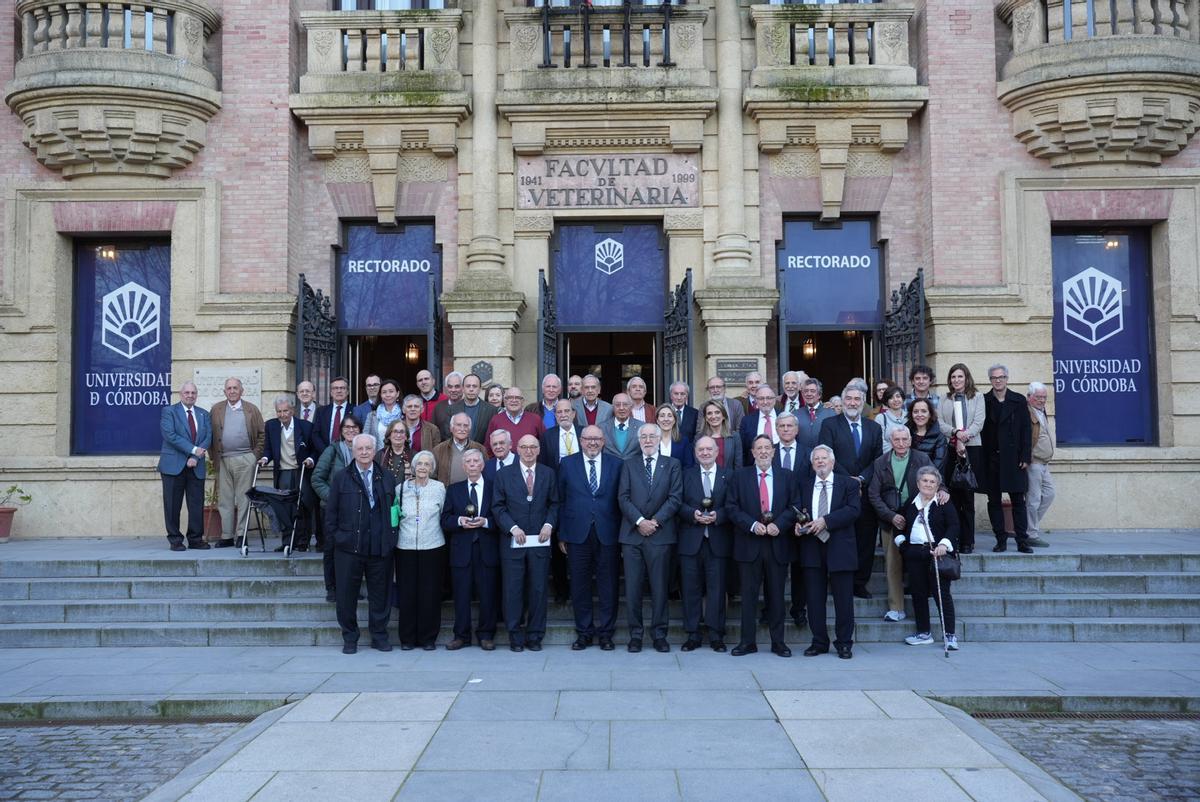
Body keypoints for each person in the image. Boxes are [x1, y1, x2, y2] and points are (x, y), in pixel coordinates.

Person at [326, 433, 398, 654]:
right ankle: (350, 637)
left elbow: (393, 510)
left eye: (368, 448)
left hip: (379, 547)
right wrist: (339, 538)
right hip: (349, 548)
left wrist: (390, 538)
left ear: (374, 450)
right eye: (360, 449)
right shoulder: (341, 478)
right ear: (353, 451)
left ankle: (379, 636)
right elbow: (331, 515)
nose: (365, 452)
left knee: (380, 595)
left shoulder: (386, 476)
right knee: (346, 596)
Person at [725, 435, 796, 657]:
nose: (764, 452)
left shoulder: (787, 477)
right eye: (759, 448)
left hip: (777, 544)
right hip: (749, 544)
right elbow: (731, 507)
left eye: (767, 448)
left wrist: (780, 525)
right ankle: (747, 642)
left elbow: (795, 505)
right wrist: (752, 525)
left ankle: (778, 642)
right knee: (748, 597)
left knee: (776, 596)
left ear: (773, 452)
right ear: (753, 452)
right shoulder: (739, 476)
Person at [617, 424, 683, 653]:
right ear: (638, 440)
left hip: (661, 535)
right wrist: (639, 522)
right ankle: (635, 635)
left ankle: (659, 635)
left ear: (659, 438)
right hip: (632, 536)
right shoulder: (628, 464)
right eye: (643, 436)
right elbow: (623, 497)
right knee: (633, 590)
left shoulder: (672, 464)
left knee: (659, 589)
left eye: (651, 436)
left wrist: (654, 522)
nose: (647, 440)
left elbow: (675, 498)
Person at [556, 425, 622, 650]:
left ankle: (606, 634)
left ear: (603, 441)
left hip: (608, 533)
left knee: (608, 585)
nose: (592, 443)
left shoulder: (616, 464)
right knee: (580, 586)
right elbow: (561, 501)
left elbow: (620, 501)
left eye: (597, 439)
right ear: (580, 441)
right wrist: (562, 534)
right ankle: (583, 633)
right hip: (576, 534)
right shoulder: (567, 464)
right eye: (588, 439)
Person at [868, 427, 943, 624]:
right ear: (891, 441)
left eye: (904, 439)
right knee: (893, 563)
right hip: (890, 520)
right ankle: (896, 607)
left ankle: (929, 604)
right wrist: (891, 516)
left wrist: (943, 491)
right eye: (896, 439)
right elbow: (874, 495)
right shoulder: (881, 462)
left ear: (910, 441)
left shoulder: (921, 459)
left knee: (922, 562)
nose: (901, 443)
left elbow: (934, 481)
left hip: (917, 519)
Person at [492, 435, 559, 651]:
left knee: (538, 590)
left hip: (540, 541)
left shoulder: (548, 474)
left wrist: (549, 524)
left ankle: (535, 636)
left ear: (539, 450)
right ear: (517, 449)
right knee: (513, 590)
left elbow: (555, 503)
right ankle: (515, 636)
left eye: (533, 447)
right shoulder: (503, 475)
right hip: (513, 542)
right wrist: (512, 528)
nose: (529, 451)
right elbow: (498, 507)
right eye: (524, 447)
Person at [818, 380, 883, 599]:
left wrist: (861, 479)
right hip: (838, 490)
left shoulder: (874, 427)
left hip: (865, 490)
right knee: (839, 537)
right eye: (848, 398)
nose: (852, 402)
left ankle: (859, 582)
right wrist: (850, 480)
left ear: (863, 402)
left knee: (865, 538)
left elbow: (877, 459)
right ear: (843, 401)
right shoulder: (830, 425)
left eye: (857, 399)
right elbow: (827, 456)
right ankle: (835, 579)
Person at [794, 444, 861, 660]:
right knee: (814, 599)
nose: (821, 462)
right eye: (817, 459)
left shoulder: (848, 484)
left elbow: (853, 511)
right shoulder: (803, 485)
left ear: (832, 462)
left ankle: (844, 643)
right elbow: (797, 511)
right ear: (812, 464)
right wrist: (797, 525)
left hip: (840, 547)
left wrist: (825, 521)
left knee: (843, 600)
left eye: (824, 458)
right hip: (812, 548)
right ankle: (819, 642)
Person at [677, 436, 732, 652]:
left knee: (717, 589)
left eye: (709, 449)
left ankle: (716, 634)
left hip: (718, 539)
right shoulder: (685, 474)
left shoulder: (729, 475)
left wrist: (719, 515)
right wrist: (693, 514)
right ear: (695, 452)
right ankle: (693, 634)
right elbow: (677, 503)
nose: (705, 453)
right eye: (701, 449)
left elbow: (734, 505)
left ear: (717, 451)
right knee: (691, 588)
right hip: (691, 539)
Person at [441, 449, 500, 650]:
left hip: (487, 549)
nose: (473, 464)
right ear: (463, 466)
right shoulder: (453, 489)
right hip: (461, 550)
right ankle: (461, 635)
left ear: (483, 465)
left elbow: (501, 518)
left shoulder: (494, 488)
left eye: (476, 461)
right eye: (469, 461)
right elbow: (445, 519)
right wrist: (459, 521)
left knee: (488, 594)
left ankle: (486, 634)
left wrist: (485, 522)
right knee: (461, 595)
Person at [896, 466, 959, 650]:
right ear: (918, 483)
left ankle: (950, 635)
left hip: (936, 554)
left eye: (932, 482)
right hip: (915, 554)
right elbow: (898, 526)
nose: (928, 484)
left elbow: (954, 526)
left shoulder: (943, 503)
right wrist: (903, 546)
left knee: (942, 596)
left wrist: (943, 545)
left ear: (938, 485)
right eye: (925, 481)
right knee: (918, 594)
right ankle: (924, 632)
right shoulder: (910, 503)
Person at [393, 449, 446, 650]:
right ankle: (407, 639)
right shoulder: (400, 488)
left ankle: (428, 638)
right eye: (420, 464)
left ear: (432, 468)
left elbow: (443, 514)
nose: (423, 467)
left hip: (432, 546)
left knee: (430, 594)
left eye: (427, 464)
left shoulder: (439, 488)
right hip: (405, 546)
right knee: (407, 593)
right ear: (413, 467)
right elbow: (395, 517)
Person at [981, 364, 1033, 554]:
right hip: (992, 458)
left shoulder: (1018, 400)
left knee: (1018, 500)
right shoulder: (984, 400)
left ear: (1007, 378)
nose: (998, 380)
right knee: (993, 501)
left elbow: (1027, 430)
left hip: (1014, 458)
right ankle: (1000, 539)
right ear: (990, 380)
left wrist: (1026, 455)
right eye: (994, 378)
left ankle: (1022, 540)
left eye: (1001, 377)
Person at [210, 377, 266, 548]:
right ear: (224, 391)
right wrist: (213, 457)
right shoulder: (216, 409)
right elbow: (209, 435)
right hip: (223, 459)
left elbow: (262, 435)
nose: (232, 391)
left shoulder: (251, 409)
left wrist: (253, 457)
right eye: (229, 388)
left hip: (245, 459)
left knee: (243, 498)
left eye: (235, 388)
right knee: (225, 499)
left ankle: (241, 535)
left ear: (242, 391)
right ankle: (226, 536)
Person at [312, 414, 363, 602]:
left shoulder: (363, 450)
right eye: (347, 427)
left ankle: (351, 588)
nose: (351, 430)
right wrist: (332, 499)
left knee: (354, 551)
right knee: (332, 549)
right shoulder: (332, 450)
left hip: (356, 510)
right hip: (332, 510)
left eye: (354, 427)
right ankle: (332, 587)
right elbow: (317, 479)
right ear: (341, 431)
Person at [158, 381, 212, 551]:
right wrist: (194, 451)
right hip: (173, 466)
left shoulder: (203, 414)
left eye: (193, 393)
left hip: (196, 465)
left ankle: (196, 539)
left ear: (196, 395)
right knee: (173, 505)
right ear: (181, 394)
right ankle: (175, 540)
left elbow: (208, 437)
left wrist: (195, 457)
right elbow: (170, 436)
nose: (190, 395)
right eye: (187, 392)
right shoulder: (169, 411)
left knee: (196, 505)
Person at [260, 395, 317, 551]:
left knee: (302, 505)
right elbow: (268, 449)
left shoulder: (305, 426)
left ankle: (302, 542)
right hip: (283, 472)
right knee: (284, 507)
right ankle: (287, 542)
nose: (282, 414)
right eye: (279, 411)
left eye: (285, 411)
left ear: (292, 410)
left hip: (300, 471)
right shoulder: (271, 426)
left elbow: (314, 450)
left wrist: (310, 460)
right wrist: (265, 458)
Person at [940, 363, 985, 554]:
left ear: (966, 378)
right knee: (952, 496)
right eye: (953, 377)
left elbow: (979, 422)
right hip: (950, 449)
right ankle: (954, 539)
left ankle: (968, 540)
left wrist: (965, 437)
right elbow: (941, 423)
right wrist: (956, 434)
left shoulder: (977, 397)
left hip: (972, 449)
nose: (956, 380)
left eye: (960, 376)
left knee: (967, 497)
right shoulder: (944, 398)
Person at [773, 411, 806, 629]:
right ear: (776, 429)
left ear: (797, 429)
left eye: (789, 426)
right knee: (773, 570)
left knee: (799, 570)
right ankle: (771, 610)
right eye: (782, 426)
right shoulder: (767, 452)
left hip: (799, 520)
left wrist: (803, 516)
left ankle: (798, 609)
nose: (785, 429)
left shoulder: (809, 453)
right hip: (773, 521)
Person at [1025, 382, 1055, 548]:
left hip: (1044, 463)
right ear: (1030, 397)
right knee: (1033, 499)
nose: (1042, 400)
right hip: (1034, 462)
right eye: (1038, 397)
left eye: (1044, 397)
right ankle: (1031, 533)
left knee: (1049, 494)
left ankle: (1027, 525)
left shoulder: (1041, 411)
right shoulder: (1027, 412)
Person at [438, 373, 497, 444]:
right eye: (468, 386)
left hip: (481, 452)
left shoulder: (491, 410)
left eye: (474, 386)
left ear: (480, 389)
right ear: (463, 389)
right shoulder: (451, 409)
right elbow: (447, 435)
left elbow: (493, 436)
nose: (471, 389)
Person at [485, 386, 545, 451]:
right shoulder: (496, 420)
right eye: (510, 397)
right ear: (505, 401)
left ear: (523, 401)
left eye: (517, 398)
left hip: (529, 460)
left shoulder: (535, 419)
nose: (514, 400)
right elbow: (488, 447)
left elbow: (545, 443)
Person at [433, 413, 485, 486]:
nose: (462, 429)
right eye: (458, 425)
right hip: (447, 494)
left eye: (465, 425)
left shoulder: (480, 449)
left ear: (469, 429)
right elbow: (433, 476)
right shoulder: (439, 450)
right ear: (451, 428)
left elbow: (486, 474)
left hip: (473, 493)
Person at [739, 384, 781, 465]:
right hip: (754, 468)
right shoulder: (747, 421)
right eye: (761, 399)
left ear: (774, 400)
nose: (765, 402)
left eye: (769, 398)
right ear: (756, 401)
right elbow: (743, 450)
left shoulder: (783, 418)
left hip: (780, 467)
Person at [312, 376, 351, 460]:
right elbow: (315, 434)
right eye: (335, 388)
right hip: (325, 456)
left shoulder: (355, 410)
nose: (339, 391)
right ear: (331, 392)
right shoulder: (321, 411)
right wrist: (326, 452)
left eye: (342, 388)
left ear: (347, 391)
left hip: (348, 456)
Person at [697, 399, 743, 470]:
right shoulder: (699, 438)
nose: (713, 416)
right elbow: (696, 464)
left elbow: (738, 466)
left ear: (724, 416)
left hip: (729, 480)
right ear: (706, 418)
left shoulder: (734, 437)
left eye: (717, 412)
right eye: (709, 413)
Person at [796, 378, 835, 460]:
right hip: (802, 459)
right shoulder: (796, 414)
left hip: (824, 460)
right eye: (806, 391)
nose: (809, 394)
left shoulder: (830, 413)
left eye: (812, 391)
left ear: (819, 395)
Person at [908, 398, 948, 474]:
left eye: (924, 411)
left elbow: (938, 464)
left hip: (931, 480)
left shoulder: (939, 437)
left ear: (930, 414)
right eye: (916, 412)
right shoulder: (905, 432)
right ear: (911, 414)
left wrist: (923, 478)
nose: (919, 415)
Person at [539, 398, 582, 467]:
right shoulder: (547, 436)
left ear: (573, 414)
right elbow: (543, 463)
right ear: (555, 415)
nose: (563, 415)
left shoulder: (584, 432)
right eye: (559, 412)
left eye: (567, 411)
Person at [364, 379, 403, 449]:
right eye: (384, 392)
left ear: (397, 394)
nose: (388, 395)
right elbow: (365, 438)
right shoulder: (372, 416)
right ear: (380, 395)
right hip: (378, 456)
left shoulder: (404, 414)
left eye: (391, 391)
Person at [600, 393, 640, 460]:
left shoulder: (641, 427)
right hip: (610, 468)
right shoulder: (601, 428)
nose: (621, 408)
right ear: (612, 407)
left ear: (631, 407)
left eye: (625, 404)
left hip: (633, 468)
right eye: (618, 405)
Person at [431, 371, 465, 437]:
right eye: (450, 386)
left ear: (463, 388)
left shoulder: (468, 406)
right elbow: (433, 432)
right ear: (446, 388)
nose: (453, 390)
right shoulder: (438, 407)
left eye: (457, 386)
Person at [378, 419, 412, 485]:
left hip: (407, 494)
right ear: (389, 435)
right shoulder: (380, 455)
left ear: (406, 436)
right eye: (395, 431)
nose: (398, 435)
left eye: (402, 432)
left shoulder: (414, 456)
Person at [878, 385, 908, 455]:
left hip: (909, 457)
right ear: (886, 401)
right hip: (888, 457)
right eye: (891, 398)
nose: (895, 400)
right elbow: (880, 441)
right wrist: (898, 452)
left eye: (898, 396)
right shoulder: (881, 418)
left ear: (903, 399)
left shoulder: (909, 417)